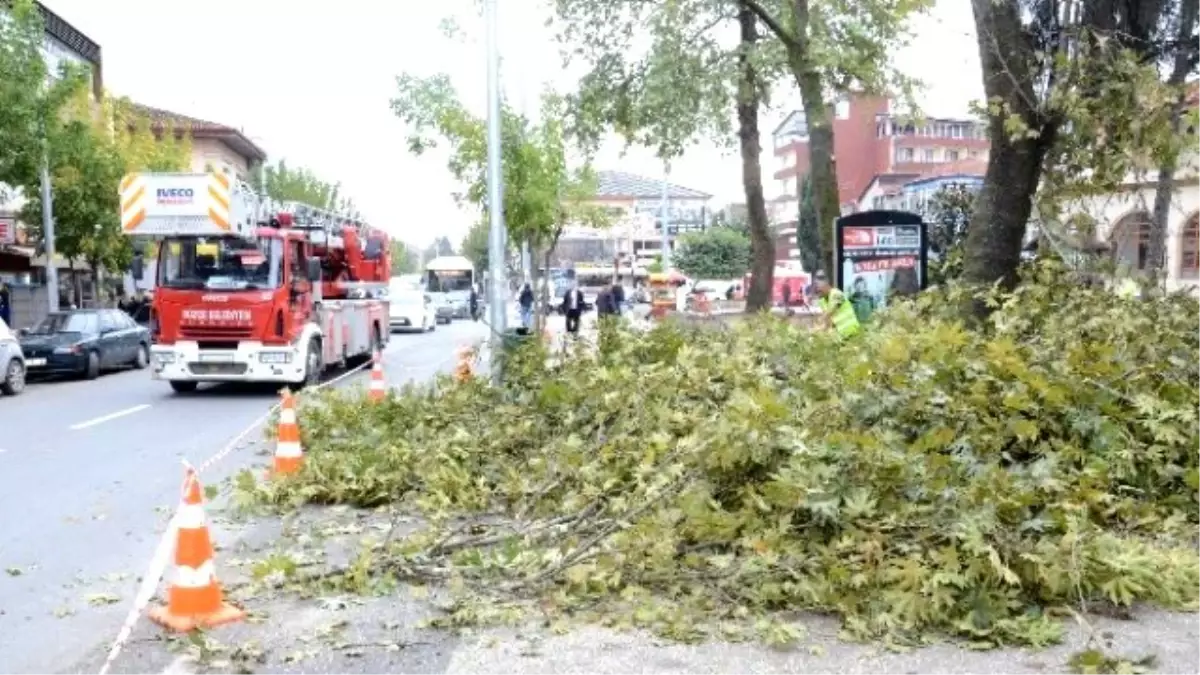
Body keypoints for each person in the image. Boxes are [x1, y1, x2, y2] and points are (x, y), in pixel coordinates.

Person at [813, 271, 861, 338]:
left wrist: (820, 320)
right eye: (816, 289)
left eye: (819, 288)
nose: (817, 291)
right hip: (841, 335)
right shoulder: (822, 301)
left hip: (852, 332)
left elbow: (830, 311)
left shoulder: (836, 293)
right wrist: (817, 331)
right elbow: (828, 323)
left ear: (827, 284)